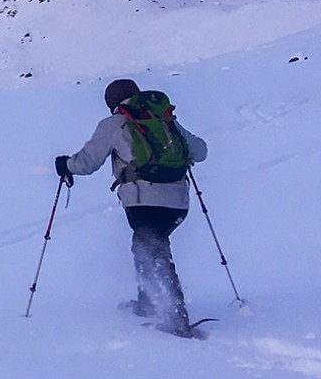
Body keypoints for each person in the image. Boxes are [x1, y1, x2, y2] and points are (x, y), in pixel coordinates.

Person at [55, 78, 208, 337]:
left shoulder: (114, 124)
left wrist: (65, 165)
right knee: (146, 245)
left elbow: (87, 163)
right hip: (179, 204)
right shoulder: (165, 121)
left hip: (143, 201)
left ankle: (176, 318)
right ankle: (149, 302)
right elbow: (200, 151)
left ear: (111, 103)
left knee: (154, 252)